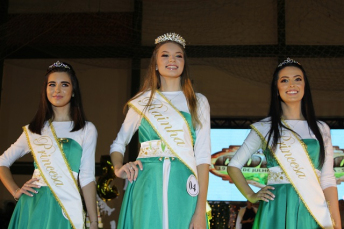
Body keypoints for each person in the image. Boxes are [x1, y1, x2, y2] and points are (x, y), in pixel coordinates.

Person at [110, 32, 211, 229]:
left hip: (184, 181)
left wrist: (200, 211)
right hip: (147, 180)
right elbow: (118, 143)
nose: (172, 59)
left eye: (178, 55)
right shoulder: (141, 102)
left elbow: (203, 156)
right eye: (165, 55)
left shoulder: (198, 101)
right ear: (155, 64)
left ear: (184, 63)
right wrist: (118, 169)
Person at [227, 58, 341, 229]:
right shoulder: (264, 128)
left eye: (297, 79)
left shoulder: (321, 128)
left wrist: (336, 223)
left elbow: (328, 179)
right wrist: (250, 195)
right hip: (276, 206)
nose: (292, 85)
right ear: (276, 88)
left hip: (312, 209)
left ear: (304, 86)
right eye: (284, 80)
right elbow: (233, 166)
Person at [0, 61, 98, 229]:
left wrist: (94, 222)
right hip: (34, 205)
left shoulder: (86, 129)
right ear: (45, 90)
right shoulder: (34, 130)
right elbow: (2, 162)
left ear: (73, 91)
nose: (57, 90)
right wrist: (16, 191)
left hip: (67, 206)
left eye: (64, 84)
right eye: (52, 84)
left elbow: (87, 177)